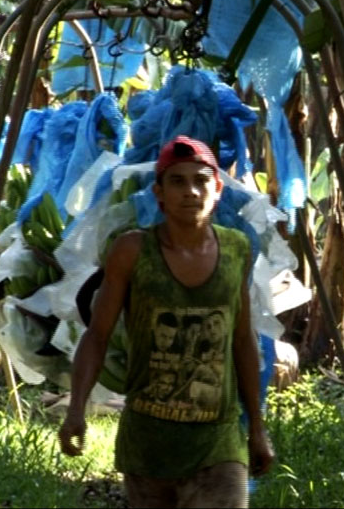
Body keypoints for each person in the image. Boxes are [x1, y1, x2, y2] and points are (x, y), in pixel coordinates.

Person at [59, 135, 274, 508]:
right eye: (177, 181)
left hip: (218, 440)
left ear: (218, 189)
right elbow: (97, 335)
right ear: (158, 193)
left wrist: (256, 428)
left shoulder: (236, 249)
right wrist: (76, 409)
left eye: (201, 180)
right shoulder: (132, 251)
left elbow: (242, 340)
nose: (191, 191)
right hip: (149, 444)